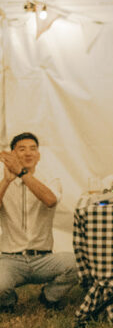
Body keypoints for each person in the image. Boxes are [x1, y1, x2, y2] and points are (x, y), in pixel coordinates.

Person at [0, 132, 78, 313]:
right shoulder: (3, 180)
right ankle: (8, 302)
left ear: (39, 155)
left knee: (76, 265)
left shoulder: (50, 178)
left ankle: (49, 297)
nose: (28, 153)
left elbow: (50, 200)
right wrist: (6, 181)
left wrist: (22, 173)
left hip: (43, 258)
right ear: (13, 155)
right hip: (11, 258)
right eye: (22, 149)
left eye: (33, 149)